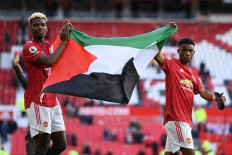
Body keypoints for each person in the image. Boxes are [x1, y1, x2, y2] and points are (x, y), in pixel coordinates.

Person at [154, 28, 226, 155]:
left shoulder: (194, 74)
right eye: (184, 50)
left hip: (185, 120)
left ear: (194, 53)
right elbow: (156, 54)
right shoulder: (171, 65)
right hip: (177, 119)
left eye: (190, 51)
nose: (187, 53)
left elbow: (203, 92)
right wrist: (165, 33)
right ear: (178, 51)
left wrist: (215, 97)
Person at [20, 12, 72, 155]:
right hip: (37, 101)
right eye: (35, 25)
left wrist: (69, 33)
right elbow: (50, 61)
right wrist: (64, 42)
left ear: (46, 28)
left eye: (42, 25)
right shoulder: (29, 47)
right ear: (30, 29)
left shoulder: (50, 46)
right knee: (42, 147)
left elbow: (63, 51)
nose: (39, 27)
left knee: (61, 144)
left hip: (52, 101)